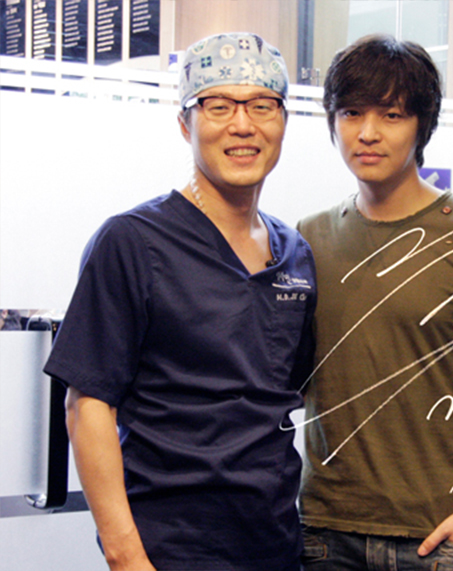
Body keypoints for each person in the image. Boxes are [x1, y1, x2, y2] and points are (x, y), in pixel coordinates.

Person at [44, 32, 314, 571]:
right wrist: (125, 555)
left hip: (276, 545)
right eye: (219, 106)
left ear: (283, 122)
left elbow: (291, 394)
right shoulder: (132, 242)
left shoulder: (295, 254)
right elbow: (87, 404)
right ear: (185, 124)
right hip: (168, 550)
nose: (243, 125)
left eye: (262, 105)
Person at [297, 34, 453, 570]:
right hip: (326, 533)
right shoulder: (308, 238)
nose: (367, 132)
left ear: (422, 124)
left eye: (391, 115)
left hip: (443, 537)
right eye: (351, 113)